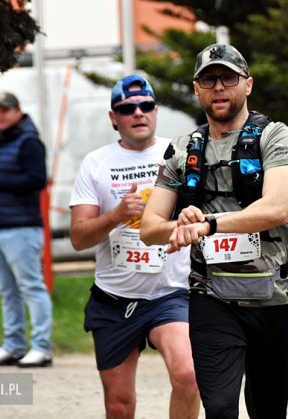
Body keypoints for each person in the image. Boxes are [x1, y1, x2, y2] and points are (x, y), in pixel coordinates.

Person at [139, 43, 288, 419]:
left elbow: (277, 207)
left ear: (247, 85)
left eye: (228, 78)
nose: (218, 87)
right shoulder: (183, 150)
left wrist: (207, 225)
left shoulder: (274, 137)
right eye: (208, 79)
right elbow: (150, 229)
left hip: (271, 296)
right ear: (196, 89)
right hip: (211, 296)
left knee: (267, 409)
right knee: (219, 406)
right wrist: (178, 226)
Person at [69, 75, 199, 419]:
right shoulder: (95, 163)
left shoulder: (181, 153)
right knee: (119, 405)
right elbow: (79, 238)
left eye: (146, 106)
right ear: (114, 117)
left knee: (188, 375)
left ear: (156, 111)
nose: (138, 113)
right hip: (114, 299)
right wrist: (115, 215)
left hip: (171, 295)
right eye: (128, 108)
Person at [0, 92, 54, 368]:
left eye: (5, 110)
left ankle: (42, 347)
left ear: (18, 111)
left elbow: (36, 181)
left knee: (31, 287)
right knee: (7, 291)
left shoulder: (29, 141)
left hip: (21, 228)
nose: (0, 114)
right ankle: (13, 345)